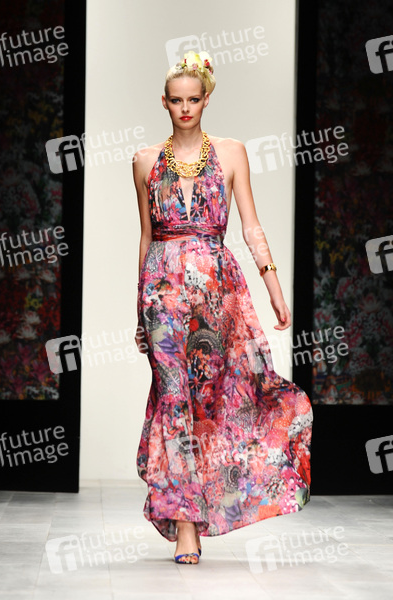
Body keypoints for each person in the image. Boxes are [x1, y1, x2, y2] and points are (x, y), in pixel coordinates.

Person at [133, 51, 313, 565]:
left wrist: (273, 285)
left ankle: (205, 504)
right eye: (176, 100)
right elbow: (145, 237)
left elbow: (250, 225)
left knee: (211, 401)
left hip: (218, 292)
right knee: (174, 400)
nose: (185, 108)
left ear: (206, 99)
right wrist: (138, 309)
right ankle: (186, 526)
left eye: (194, 99)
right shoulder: (145, 161)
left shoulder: (232, 153)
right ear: (164, 102)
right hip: (162, 294)